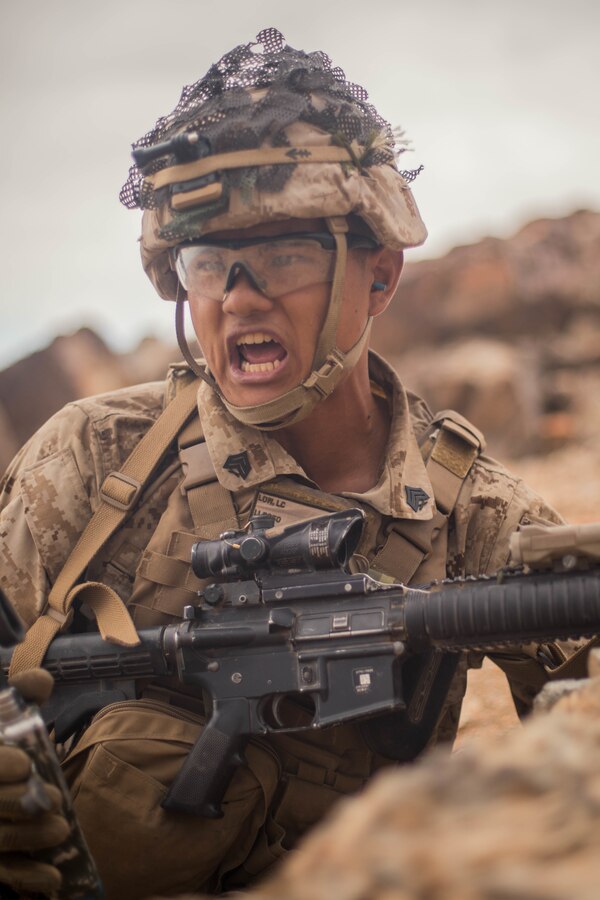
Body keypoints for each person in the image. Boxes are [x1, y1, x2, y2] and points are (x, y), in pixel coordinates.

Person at [0, 27, 587, 899]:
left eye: (284, 255)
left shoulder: (477, 517)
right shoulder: (93, 458)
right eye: (209, 264)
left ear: (379, 277)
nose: (240, 297)